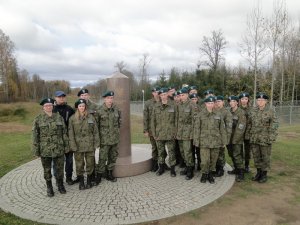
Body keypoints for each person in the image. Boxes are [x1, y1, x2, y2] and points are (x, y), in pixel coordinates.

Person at [32, 98, 68, 197]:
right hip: (45, 149)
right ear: (43, 107)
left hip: (58, 148)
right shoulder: (38, 119)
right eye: (46, 105)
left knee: (60, 168)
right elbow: (35, 136)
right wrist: (36, 151)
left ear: (53, 106)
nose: (49, 107)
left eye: (50, 105)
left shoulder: (58, 117)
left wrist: (66, 146)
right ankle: (49, 187)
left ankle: (60, 185)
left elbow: (64, 132)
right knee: (47, 169)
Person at [193, 96, 227, 184]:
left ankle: (210, 174)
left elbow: (222, 129)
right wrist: (196, 141)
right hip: (204, 142)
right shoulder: (200, 115)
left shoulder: (218, 114)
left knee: (213, 160)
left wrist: (224, 141)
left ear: (214, 104)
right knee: (205, 160)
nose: (210, 105)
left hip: (216, 142)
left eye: (212, 103)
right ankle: (204, 174)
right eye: (209, 103)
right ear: (205, 104)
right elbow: (197, 129)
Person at [247, 92, 279, 183]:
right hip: (254, 138)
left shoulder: (270, 111)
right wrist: (248, 135)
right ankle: (258, 173)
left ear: (266, 101)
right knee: (256, 156)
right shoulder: (253, 111)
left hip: (265, 139)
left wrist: (272, 137)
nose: (260, 102)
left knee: (265, 157)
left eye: (262, 100)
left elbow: (275, 124)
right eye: (258, 100)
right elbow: (249, 124)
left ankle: (264, 175)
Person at [68, 99, 100, 190]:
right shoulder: (72, 118)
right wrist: (73, 145)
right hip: (78, 146)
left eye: (83, 106)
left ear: (85, 107)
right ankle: (81, 182)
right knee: (79, 164)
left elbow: (95, 131)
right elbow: (71, 134)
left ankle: (89, 181)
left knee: (90, 163)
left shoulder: (90, 117)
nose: (82, 107)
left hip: (90, 145)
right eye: (80, 106)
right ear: (77, 107)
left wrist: (96, 143)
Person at [96, 91, 121, 183]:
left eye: (111, 98)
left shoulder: (116, 110)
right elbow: (96, 127)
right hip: (104, 140)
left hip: (114, 139)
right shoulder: (99, 110)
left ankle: (110, 174)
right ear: (104, 99)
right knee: (102, 158)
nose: (110, 100)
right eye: (108, 98)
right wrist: (98, 139)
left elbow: (119, 123)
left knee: (113, 157)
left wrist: (116, 133)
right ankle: (99, 175)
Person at [151, 88, 177, 177]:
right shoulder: (156, 106)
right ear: (160, 96)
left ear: (167, 95)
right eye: (161, 95)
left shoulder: (173, 105)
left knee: (171, 152)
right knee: (160, 152)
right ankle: (161, 168)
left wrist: (175, 132)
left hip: (170, 134)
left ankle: (173, 169)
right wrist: (154, 134)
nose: (163, 96)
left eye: (165, 94)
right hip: (159, 134)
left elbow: (176, 120)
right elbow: (152, 121)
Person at [52, 90, 76, 185]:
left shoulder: (69, 109)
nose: (61, 98)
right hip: (56, 140)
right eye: (59, 97)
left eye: (63, 97)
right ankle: (58, 180)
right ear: (55, 98)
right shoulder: (52, 110)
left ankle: (69, 178)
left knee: (69, 161)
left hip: (68, 139)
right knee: (56, 162)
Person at [77, 88, 99, 184]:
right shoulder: (76, 106)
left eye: (86, 95)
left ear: (88, 96)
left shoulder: (95, 106)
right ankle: (80, 177)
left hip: (91, 137)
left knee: (91, 158)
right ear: (79, 97)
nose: (84, 97)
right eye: (82, 95)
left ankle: (92, 176)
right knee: (79, 160)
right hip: (80, 138)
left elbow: (98, 120)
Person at [176, 88, 196, 180]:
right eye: (180, 95)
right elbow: (177, 119)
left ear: (187, 95)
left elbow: (194, 121)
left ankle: (190, 170)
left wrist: (192, 133)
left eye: (183, 95)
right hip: (180, 132)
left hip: (188, 133)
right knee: (182, 151)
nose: (181, 97)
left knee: (188, 151)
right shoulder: (178, 105)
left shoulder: (192, 105)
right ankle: (187, 166)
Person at [227, 96, 247, 182]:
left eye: (233, 101)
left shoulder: (241, 112)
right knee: (231, 154)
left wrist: (235, 139)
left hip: (236, 139)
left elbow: (241, 127)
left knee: (237, 155)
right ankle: (236, 169)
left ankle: (241, 173)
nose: (231, 103)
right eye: (230, 101)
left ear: (237, 102)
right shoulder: (228, 112)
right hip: (229, 138)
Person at [214, 95, 232, 177]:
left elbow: (228, 127)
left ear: (223, 102)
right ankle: (216, 168)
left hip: (221, 137)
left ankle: (220, 170)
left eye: (219, 101)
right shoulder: (213, 111)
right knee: (215, 154)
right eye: (216, 101)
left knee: (221, 154)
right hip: (214, 137)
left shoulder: (226, 112)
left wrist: (226, 139)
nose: (217, 103)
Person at [143, 87, 161, 172]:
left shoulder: (163, 101)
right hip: (152, 130)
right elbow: (145, 117)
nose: (156, 93)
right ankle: (154, 164)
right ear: (152, 93)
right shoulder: (148, 103)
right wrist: (145, 130)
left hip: (162, 130)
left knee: (161, 148)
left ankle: (162, 163)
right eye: (155, 92)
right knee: (155, 147)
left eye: (158, 92)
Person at [239, 92, 252, 173]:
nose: (244, 100)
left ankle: (247, 165)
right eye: (242, 99)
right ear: (240, 100)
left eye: (246, 99)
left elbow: (252, 122)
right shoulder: (237, 109)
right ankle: (239, 165)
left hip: (248, 133)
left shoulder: (251, 109)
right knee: (238, 150)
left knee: (247, 150)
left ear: (248, 100)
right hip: (239, 133)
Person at [189, 93, 201, 172]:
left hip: (198, 132)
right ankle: (192, 165)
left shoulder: (201, 108)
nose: (194, 101)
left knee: (199, 150)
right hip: (190, 132)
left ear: (197, 99)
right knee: (191, 150)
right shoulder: (188, 107)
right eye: (192, 99)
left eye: (195, 99)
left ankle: (200, 164)